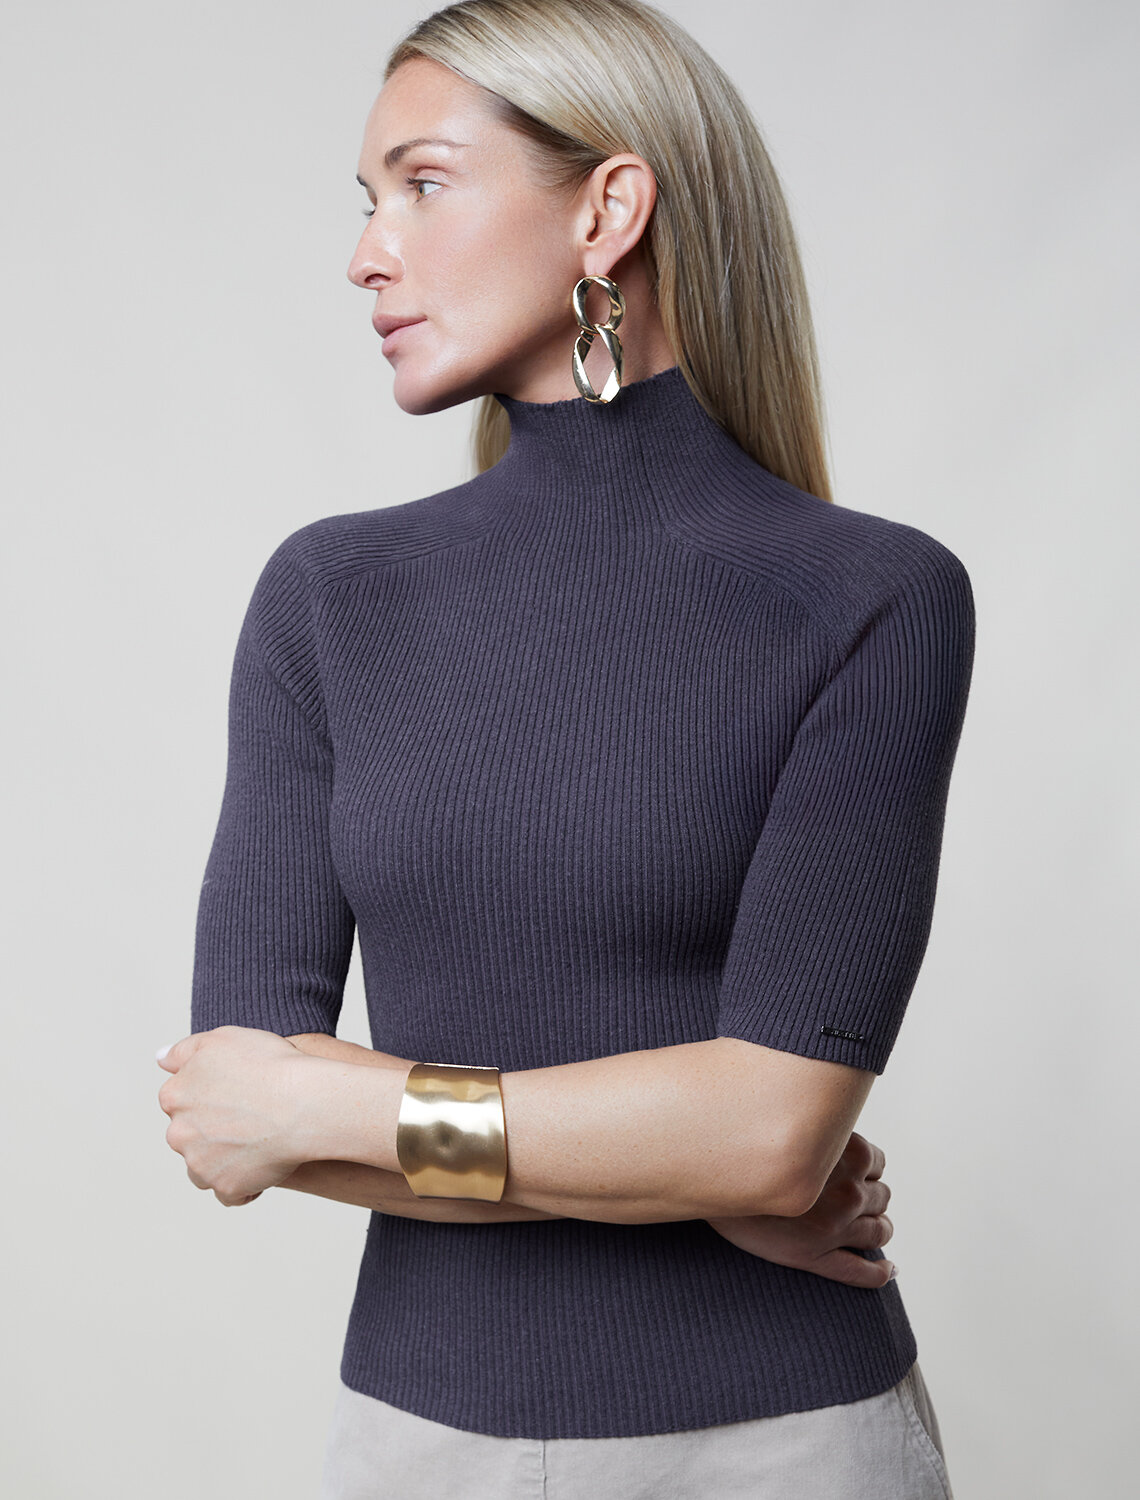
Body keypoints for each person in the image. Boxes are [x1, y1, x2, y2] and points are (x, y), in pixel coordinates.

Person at [156, 2, 974, 1495]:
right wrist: (691, 1176)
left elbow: (772, 1138)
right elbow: (233, 1114)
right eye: (367, 200)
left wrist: (343, 1099)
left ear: (607, 211)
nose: (367, 254)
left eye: (423, 184)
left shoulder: (870, 597)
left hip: (784, 1447)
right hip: (419, 1446)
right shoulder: (331, 598)